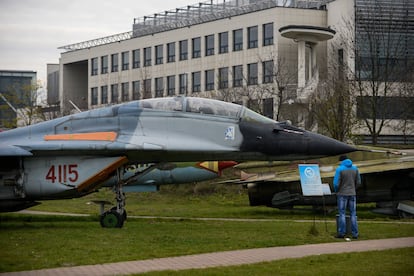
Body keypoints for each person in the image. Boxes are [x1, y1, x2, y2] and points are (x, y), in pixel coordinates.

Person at [333, 155, 361, 239]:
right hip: (352, 193)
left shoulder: (339, 169)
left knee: (342, 213)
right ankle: (355, 233)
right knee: (353, 213)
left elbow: (335, 183)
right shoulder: (355, 168)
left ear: (341, 161)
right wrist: (353, 189)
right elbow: (359, 182)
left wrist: (336, 191)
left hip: (342, 194)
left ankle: (341, 233)